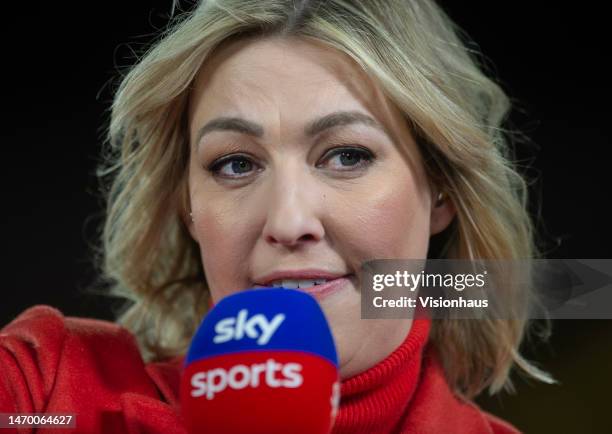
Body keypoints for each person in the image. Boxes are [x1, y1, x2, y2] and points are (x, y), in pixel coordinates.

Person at [0, 0, 553, 432]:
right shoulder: (42, 390)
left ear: (441, 192)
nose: (288, 223)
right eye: (235, 163)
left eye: (347, 155)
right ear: (186, 207)